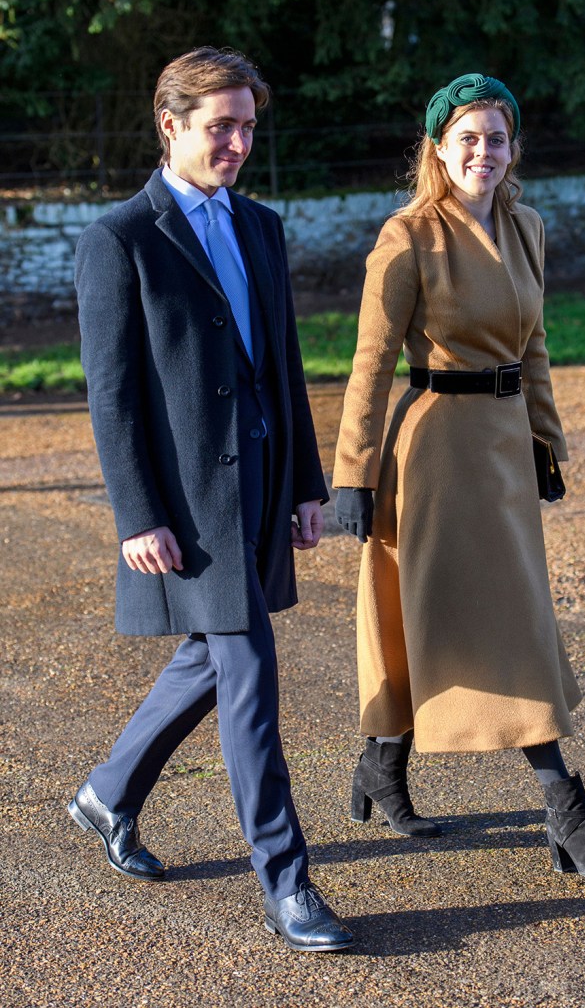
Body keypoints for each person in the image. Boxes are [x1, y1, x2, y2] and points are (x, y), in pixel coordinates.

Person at [69, 46, 354, 952]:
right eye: (220, 125)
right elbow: (111, 394)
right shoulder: (121, 238)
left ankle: (107, 792)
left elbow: (282, 364)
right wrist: (135, 514)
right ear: (172, 125)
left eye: (247, 127)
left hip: (265, 486)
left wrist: (309, 485)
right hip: (189, 506)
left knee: (212, 658)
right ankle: (286, 879)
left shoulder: (262, 226)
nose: (237, 142)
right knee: (250, 673)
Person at [333, 73, 585, 878]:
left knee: (457, 613)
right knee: (490, 620)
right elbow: (370, 363)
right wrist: (353, 475)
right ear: (437, 148)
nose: (483, 152)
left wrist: (546, 441)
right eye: (466, 137)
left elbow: (533, 346)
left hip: (502, 446)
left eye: (496, 137)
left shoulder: (527, 225)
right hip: (431, 452)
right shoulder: (408, 236)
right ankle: (565, 806)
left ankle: (379, 767)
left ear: (513, 148)